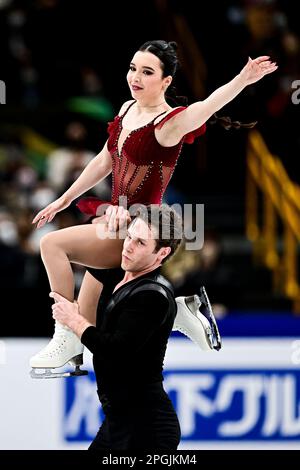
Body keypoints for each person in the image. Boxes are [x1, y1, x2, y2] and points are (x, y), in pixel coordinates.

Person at [29, 39, 277, 372]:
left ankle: (63, 333)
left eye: (147, 72)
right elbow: (105, 159)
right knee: (88, 321)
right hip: (113, 220)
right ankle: (176, 312)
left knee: (52, 245)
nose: (136, 77)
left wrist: (243, 79)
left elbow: (206, 105)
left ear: (166, 81)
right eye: (133, 68)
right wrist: (65, 198)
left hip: (138, 226)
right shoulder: (126, 109)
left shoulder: (168, 125)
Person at [50, 204, 182, 450]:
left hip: (147, 430)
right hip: (119, 422)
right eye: (129, 236)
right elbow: (94, 239)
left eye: (140, 243)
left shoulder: (153, 295)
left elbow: (115, 350)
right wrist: (109, 218)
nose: (128, 246)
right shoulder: (119, 274)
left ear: (162, 253)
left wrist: (74, 320)